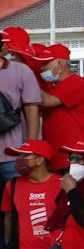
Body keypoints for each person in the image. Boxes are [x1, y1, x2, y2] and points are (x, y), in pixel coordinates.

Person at [2, 140, 62, 249]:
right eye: (18, 156)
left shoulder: (62, 183)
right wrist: (11, 248)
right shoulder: (12, 186)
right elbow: (8, 220)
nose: (18, 160)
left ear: (40, 160)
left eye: (24, 155)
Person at [0, 30, 42, 184]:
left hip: (13, 154)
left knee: (16, 202)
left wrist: (31, 148)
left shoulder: (21, 71)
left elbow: (32, 109)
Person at [36, 49, 84, 151]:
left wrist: (29, 80)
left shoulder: (77, 83)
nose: (42, 67)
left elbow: (48, 101)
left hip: (74, 153)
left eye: (45, 63)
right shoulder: (52, 88)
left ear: (60, 63)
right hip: (55, 152)